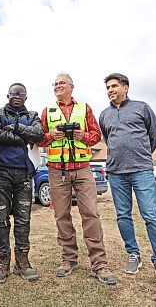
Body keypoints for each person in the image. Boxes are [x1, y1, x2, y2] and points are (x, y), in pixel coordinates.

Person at [37, 73, 117, 285]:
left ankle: (99, 263)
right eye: (54, 83)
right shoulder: (47, 111)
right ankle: (68, 260)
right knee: (61, 215)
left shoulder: (84, 108)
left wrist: (82, 135)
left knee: (91, 214)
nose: (57, 86)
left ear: (72, 86)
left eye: (61, 83)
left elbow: (96, 136)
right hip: (57, 170)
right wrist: (50, 136)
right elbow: (38, 139)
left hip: (82, 169)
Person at [99, 72, 156, 285]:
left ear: (126, 87)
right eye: (108, 87)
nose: (110, 90)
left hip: (141, 170)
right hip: (115, 172)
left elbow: (154, 135)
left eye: (114, 86)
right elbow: (108, 138)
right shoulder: (104, 114)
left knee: (151, 215)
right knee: (123, 215)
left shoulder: (142, 108)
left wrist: (140, 154)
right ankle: (133, 253)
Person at [0, 83, 44, 285]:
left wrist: (17, 128)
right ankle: (3, 262)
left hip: (24, 174)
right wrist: (23, 137)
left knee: (23, 219)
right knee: (1, 219)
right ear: (8, 95)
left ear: (26, 97)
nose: (17, 96)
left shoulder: (34, 116)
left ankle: (23, 261)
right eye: (13, 93)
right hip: (1, 172)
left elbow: (38, 135)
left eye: (21, 93)